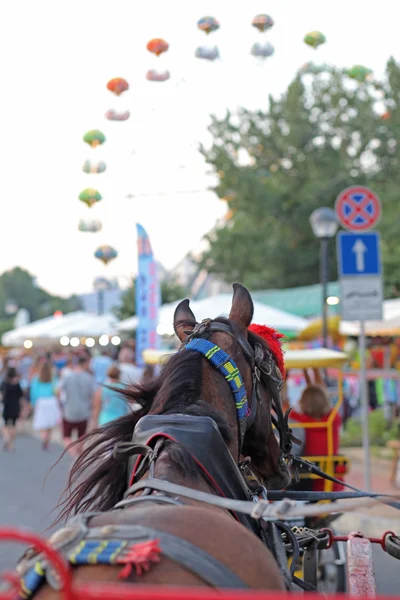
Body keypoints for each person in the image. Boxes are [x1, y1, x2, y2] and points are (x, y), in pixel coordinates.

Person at [290, 368, 343, 491]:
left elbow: (289, 407)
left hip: (307, 480)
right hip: (331, 481)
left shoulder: (299, 420)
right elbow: (319, 395)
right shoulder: (332, 420)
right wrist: (314, 371)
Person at [58, 355, 96, 457]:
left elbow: (59, 390)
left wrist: (60, 404)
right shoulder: (88, 377)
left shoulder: (68, 376)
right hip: (84, 410)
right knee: (81, 436)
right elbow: (92, 394)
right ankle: (78, 455)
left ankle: (74, 454)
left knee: (66, 436)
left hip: (69, 409)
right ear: (85, 364)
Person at [30, 361, 60, 450]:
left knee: (42, 422)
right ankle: (48, 437)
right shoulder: (53, 378)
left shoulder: (36, 378)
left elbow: (33, 392)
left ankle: (44, 436)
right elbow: (56, 390)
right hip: (51, 400)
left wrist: (33, 403)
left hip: (41, 401)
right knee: (50, 422)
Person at [1, 367, 23, 450]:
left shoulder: (4, 383)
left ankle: (7, 438)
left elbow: (1, 394)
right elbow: (21, 396)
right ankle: (11, 443)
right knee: (13, 425)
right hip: (15, 406)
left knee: (5, 425)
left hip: (6, 406)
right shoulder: (17, 384)